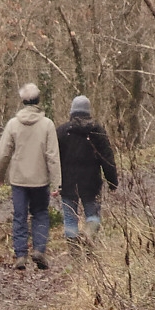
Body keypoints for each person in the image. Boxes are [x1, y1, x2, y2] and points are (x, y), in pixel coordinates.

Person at [0, 83, 60, 270]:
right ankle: (39, 250)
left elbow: (2, 153)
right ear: (38, 100)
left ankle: (21, 255)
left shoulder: (13, 124)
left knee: (20, 216)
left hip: (19, 179)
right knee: (40, 214)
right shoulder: (47, 125)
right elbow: (53, 156)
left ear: (22, 101)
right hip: (40, 179)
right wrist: (57, 183)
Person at [56, 95, 118, 242]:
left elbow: (54, 159)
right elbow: (107, 158)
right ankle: (88, 236)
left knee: (70, 218)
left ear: (72, 111)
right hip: (91, 183)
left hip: (68, 183)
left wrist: (55, 182)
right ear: (88, 111)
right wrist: (112, 181)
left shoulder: (62, 132)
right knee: (93, 216)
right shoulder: (97, 131)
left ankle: (75, 252)